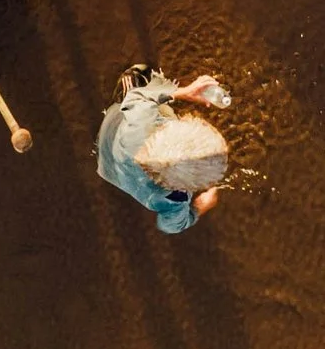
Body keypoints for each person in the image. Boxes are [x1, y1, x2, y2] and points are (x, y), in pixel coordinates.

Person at [97, 65, 231, 233]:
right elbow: (171, 226)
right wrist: (199, 207)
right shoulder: (175, 202)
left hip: (113, 137)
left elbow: (136, 97)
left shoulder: (140, 124)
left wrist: (184, 92)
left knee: (138, 77)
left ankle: (121, 96)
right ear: (184, 187)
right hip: (112, 174)